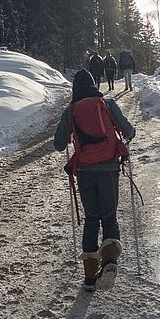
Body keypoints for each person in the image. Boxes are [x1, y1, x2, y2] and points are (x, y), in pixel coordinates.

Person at [54, 69, 135, 289]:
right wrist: (129, 134)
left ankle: (90, 278)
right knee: (109, 216)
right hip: (109, 168)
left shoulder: (71, 110)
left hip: (85, 172)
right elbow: (128, 131)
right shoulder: (107, 104)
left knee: (91, 219)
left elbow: (59, 144)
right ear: (94, 85)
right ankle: (109, 261)